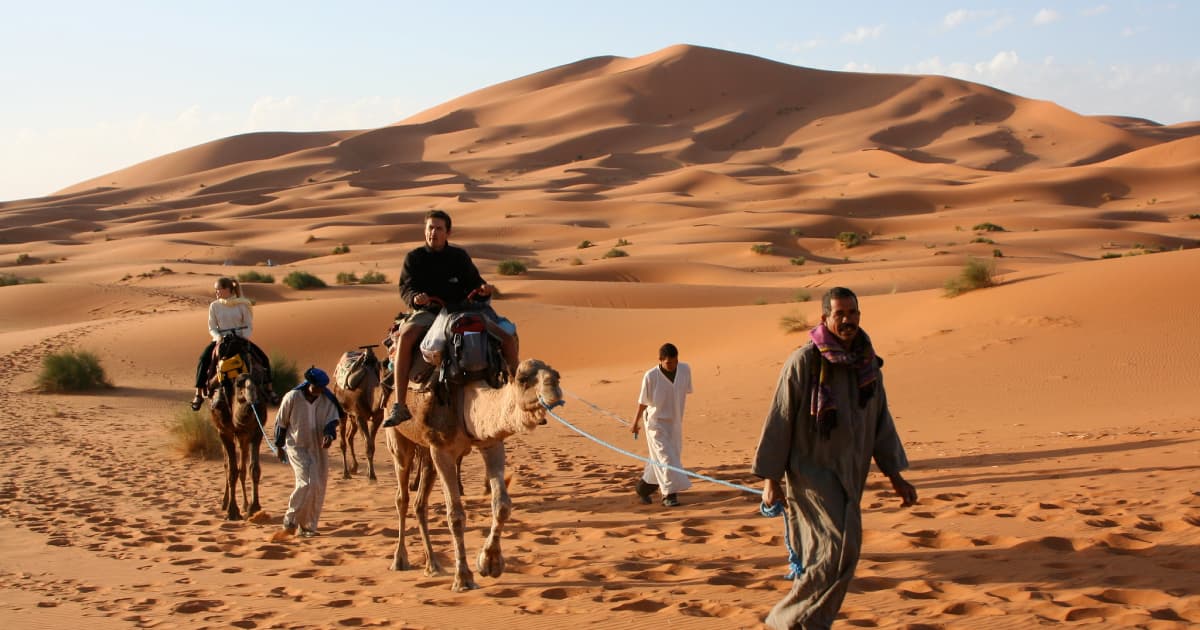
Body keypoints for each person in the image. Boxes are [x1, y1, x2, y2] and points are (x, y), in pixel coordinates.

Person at [752, 286, 918, 629]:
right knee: (833, 553)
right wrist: (770, 480)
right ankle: (785, 623)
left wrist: (896, 477)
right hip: (811, 475)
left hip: (851, 475)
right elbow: (779, 420)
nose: (847, 320)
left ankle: (801, 621)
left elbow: (881, 422)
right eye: (839, 314)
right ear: (824, 317)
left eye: (853, 313)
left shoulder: (867, 365)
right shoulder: (804, 362)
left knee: (837, 555)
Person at [383, 209, 519, 427]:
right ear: (425, 231)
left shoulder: (459, 257)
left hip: (462, 311)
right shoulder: (414, 258)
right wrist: (415, 298)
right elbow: (406, 288)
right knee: (406, 337)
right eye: (430, 228)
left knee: (508, 337)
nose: (433, 233)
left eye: (438, 228)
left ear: (448, 232)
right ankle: (400, 405)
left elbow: (474, 282)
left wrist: (483, 289)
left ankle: (518, 391)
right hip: (429, 313)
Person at [191, 277, 277, 410]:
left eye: (218, 290)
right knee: (203, 359)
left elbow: (248, 325)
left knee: (263, 359)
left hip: (240, 338)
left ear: (227, 289)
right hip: (221, 339)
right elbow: (212, 327)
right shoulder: (214, 305)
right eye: (216, 290)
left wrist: (243, 337)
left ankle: (270, 390)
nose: (216, 293)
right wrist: (218, 337)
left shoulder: (243, 304)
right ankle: (198, 394)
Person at [273, 367, 340, 538]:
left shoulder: (325, 399)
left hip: (318, 447)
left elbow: (332, 421)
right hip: (296, 445)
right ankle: (290, 521)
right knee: (307, 481)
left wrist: (329, 435)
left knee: (318, 485)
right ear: (309, 384)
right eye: (316, 387)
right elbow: (281, 423)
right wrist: (279, 447)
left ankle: (308, 526)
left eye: (321, 388)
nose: (318, 391)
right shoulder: (292, 397)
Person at [630, 343, 694, 508]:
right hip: (655, 424)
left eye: (675, 361)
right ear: (660, 360)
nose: (673, 366)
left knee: (662, 458)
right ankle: (669, 495)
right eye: (669, 363)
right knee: (666, 458)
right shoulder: (651, 376)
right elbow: (643, 402)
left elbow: (682, 392)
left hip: (675, 424)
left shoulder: (685, 369)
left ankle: (643, 489)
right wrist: (635, 422)